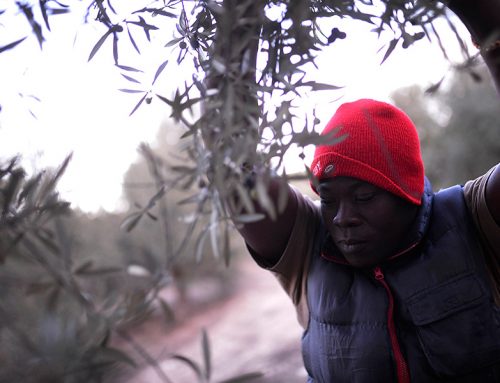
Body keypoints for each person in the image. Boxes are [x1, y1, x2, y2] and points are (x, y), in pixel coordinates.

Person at [228, 0, 500, 382]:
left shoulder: (471, 221)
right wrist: (237, 23)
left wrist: (482, 18)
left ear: (405, 191)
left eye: (364, 196)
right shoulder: (307, 249)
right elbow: (230, 164)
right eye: (328, 198)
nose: (342, 219)